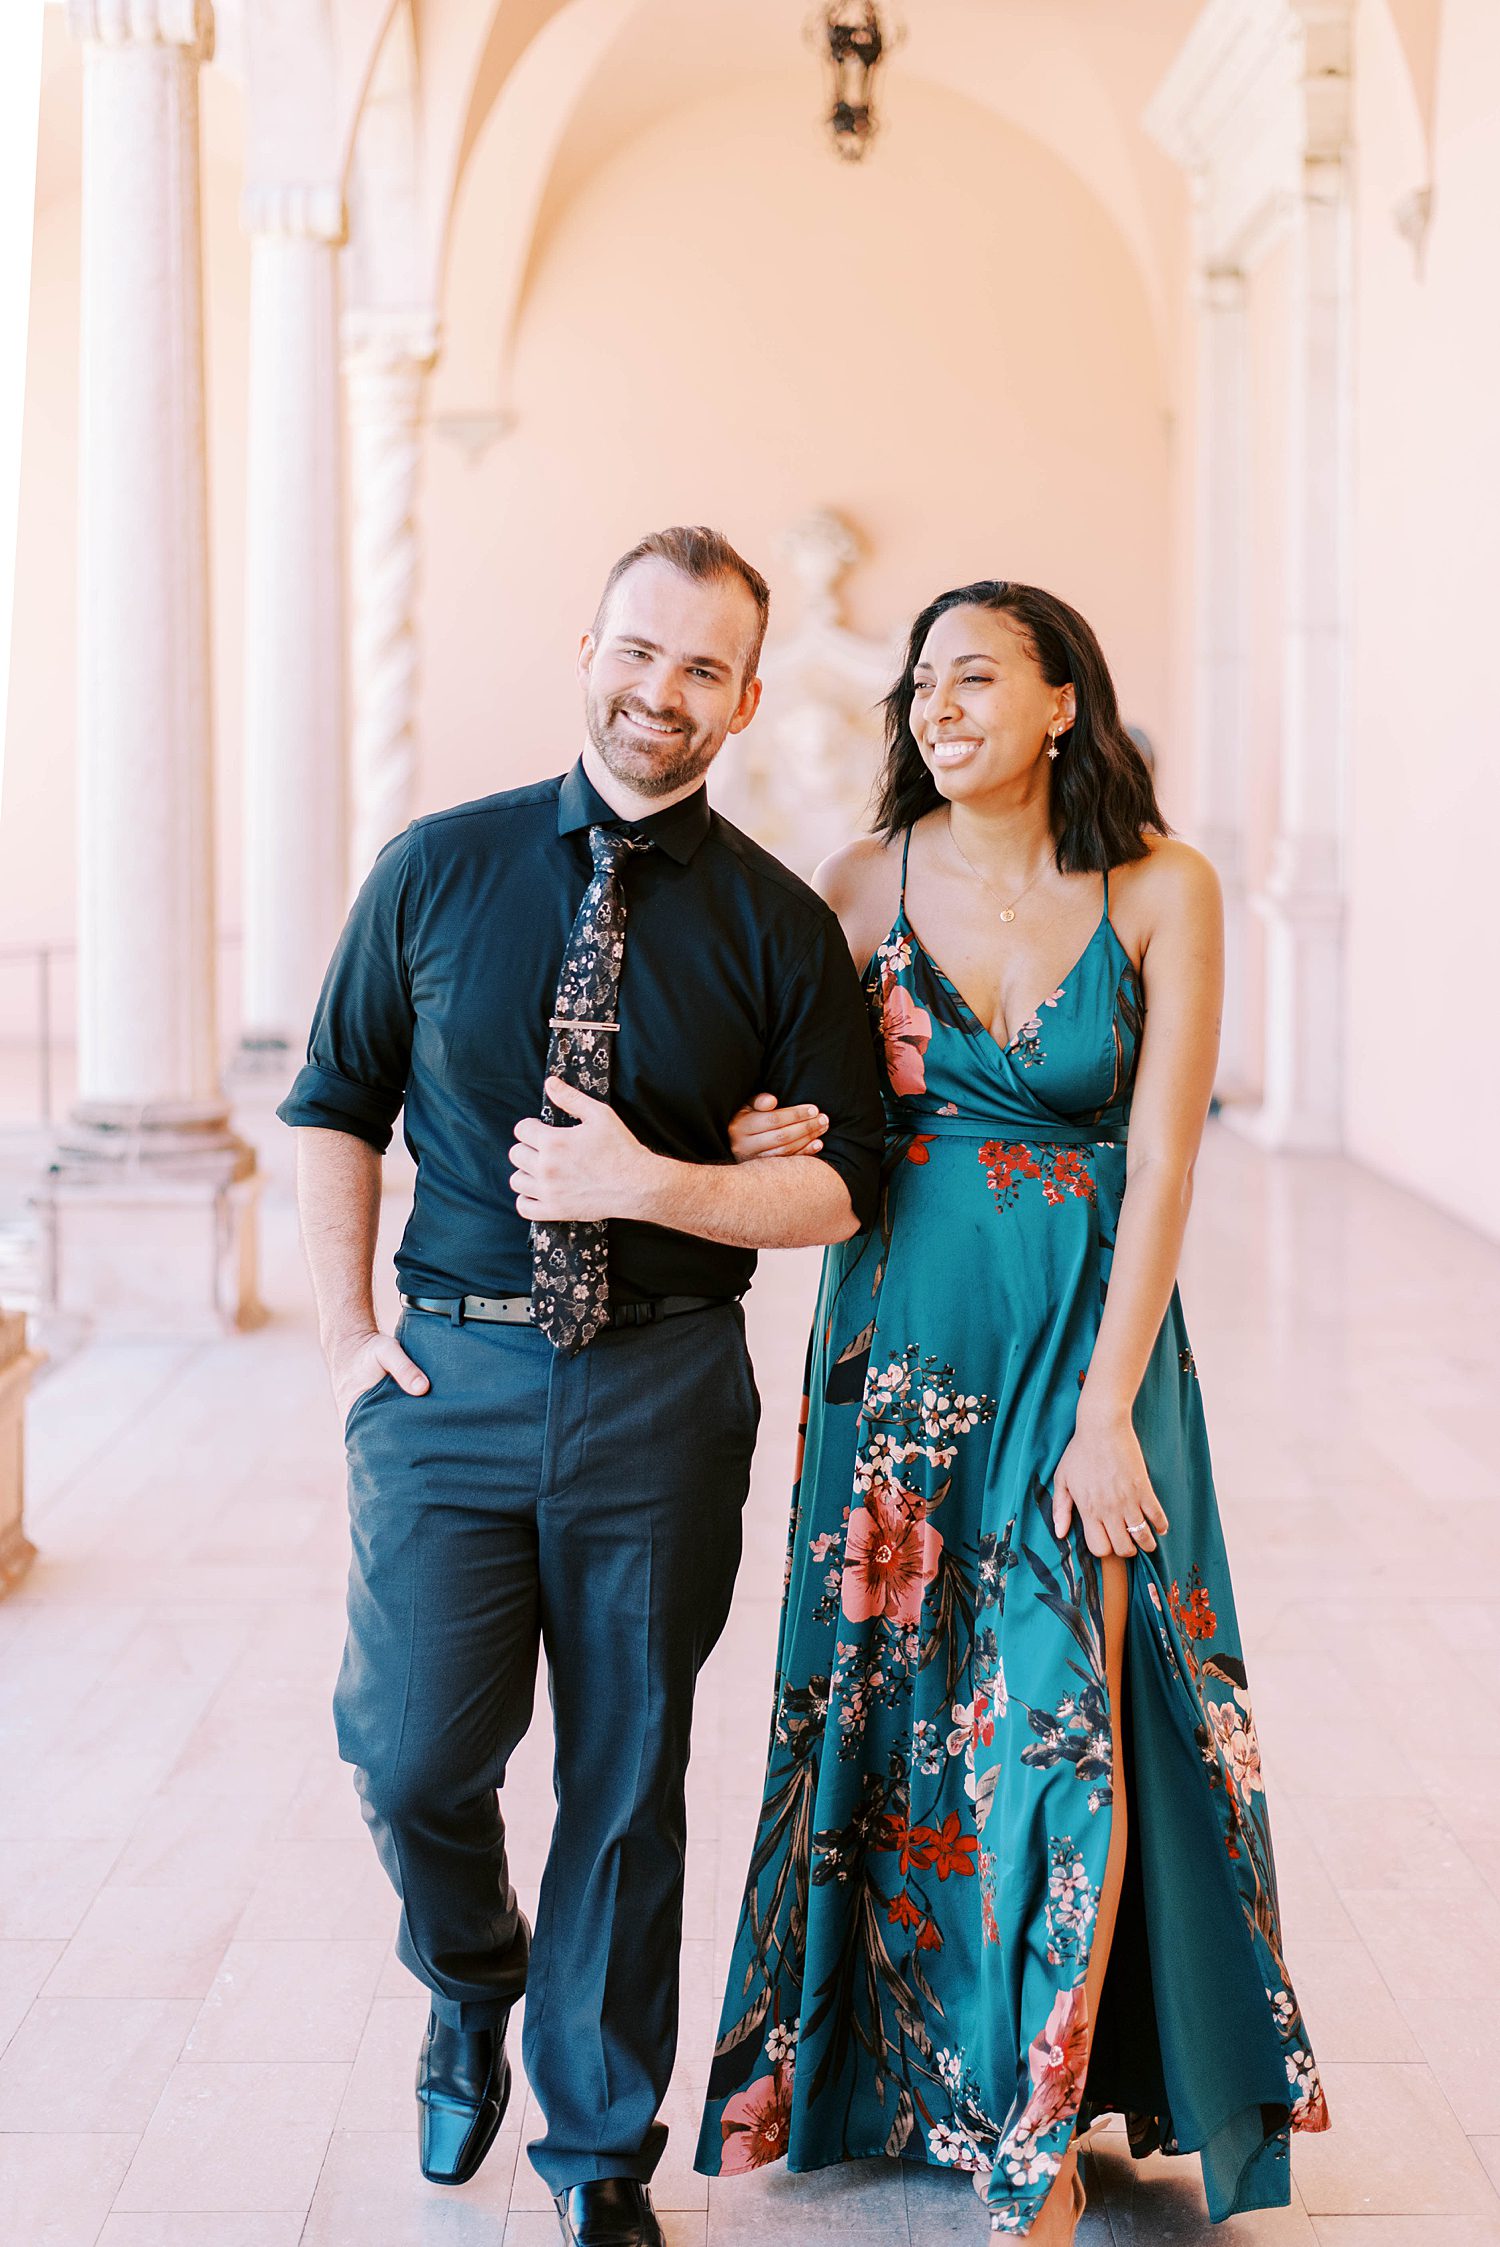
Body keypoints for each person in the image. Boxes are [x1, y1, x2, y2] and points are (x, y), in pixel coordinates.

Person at [696, 582, 1328, 2239]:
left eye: (976, 675)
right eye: (921, 683)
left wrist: (1109, 1407)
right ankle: (916, 2078)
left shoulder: (1161, 887)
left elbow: (1171, 1155)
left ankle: (1032, 2145)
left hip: (1088, 1359)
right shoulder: (857, 886)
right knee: (912, 1724)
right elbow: (792, 1104)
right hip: (899, 1369)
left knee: (1059, 1723)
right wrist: (765, 1135)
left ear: (1065, 704)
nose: (937, 704)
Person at [277, 526, 885, 2247]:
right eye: (640, 651)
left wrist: (664, 1185)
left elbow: (845, 1185)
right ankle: (471, 1975)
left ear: (748, 699)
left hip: (663, 1392)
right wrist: (343, 1342)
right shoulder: (437, 867)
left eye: (703, 669)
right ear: (590, 650)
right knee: (404, 1753)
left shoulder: (779, 925)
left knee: (627, 1777)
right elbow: (334, 1102)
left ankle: (600, 2151)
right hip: (448, 1371)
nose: (661, 693)